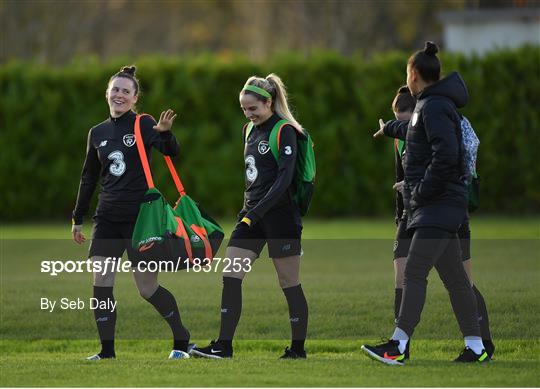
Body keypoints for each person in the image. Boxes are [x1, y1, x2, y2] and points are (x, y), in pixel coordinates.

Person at [361, 42, 490, 364]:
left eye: (408, 73)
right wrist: (390, 127)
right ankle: (476, 347)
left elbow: (447, 154)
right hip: (440, 205)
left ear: (414, 74)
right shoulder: (432, 106)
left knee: (415, 272)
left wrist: (419, 191)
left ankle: (398, 346)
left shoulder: (433, 107)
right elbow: (417, 135)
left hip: (437, 205)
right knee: (455, 280)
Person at [72, 65, 192, 360]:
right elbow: (88, 178)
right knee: (101, 280)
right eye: (115, 90)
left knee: (146, 288)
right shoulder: (97, 132)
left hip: (140, 218)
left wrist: (166, 135)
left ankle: (181, 339)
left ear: (135, 97)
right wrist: (78, 217)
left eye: (126, 91)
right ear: (107, 94)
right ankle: (107, 352)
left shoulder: (143, 123)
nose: (119, 95)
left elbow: (170, 152)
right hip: (107, 218)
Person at [190, 74, 308, 360]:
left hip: (280, 218)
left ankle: (297, 349)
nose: (248, 114)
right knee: (231, 275)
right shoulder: (248, 130)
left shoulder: (284, 131)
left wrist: (255, 212)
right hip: (251, 217)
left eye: (253, 108)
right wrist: (250, 213)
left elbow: (284, 180)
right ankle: (223, 346)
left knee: (288, 282)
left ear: (269, 102)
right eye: (244, 108)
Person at [383, 86, 494, 360]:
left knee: (454, 279)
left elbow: (449, 169)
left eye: (407, 120)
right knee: (410, 273)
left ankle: (481, 344)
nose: (405, 127)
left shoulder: (440, 124)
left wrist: (415, 187)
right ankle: (471, 347)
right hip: (416, 214)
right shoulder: (407, 135)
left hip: (444, 213)